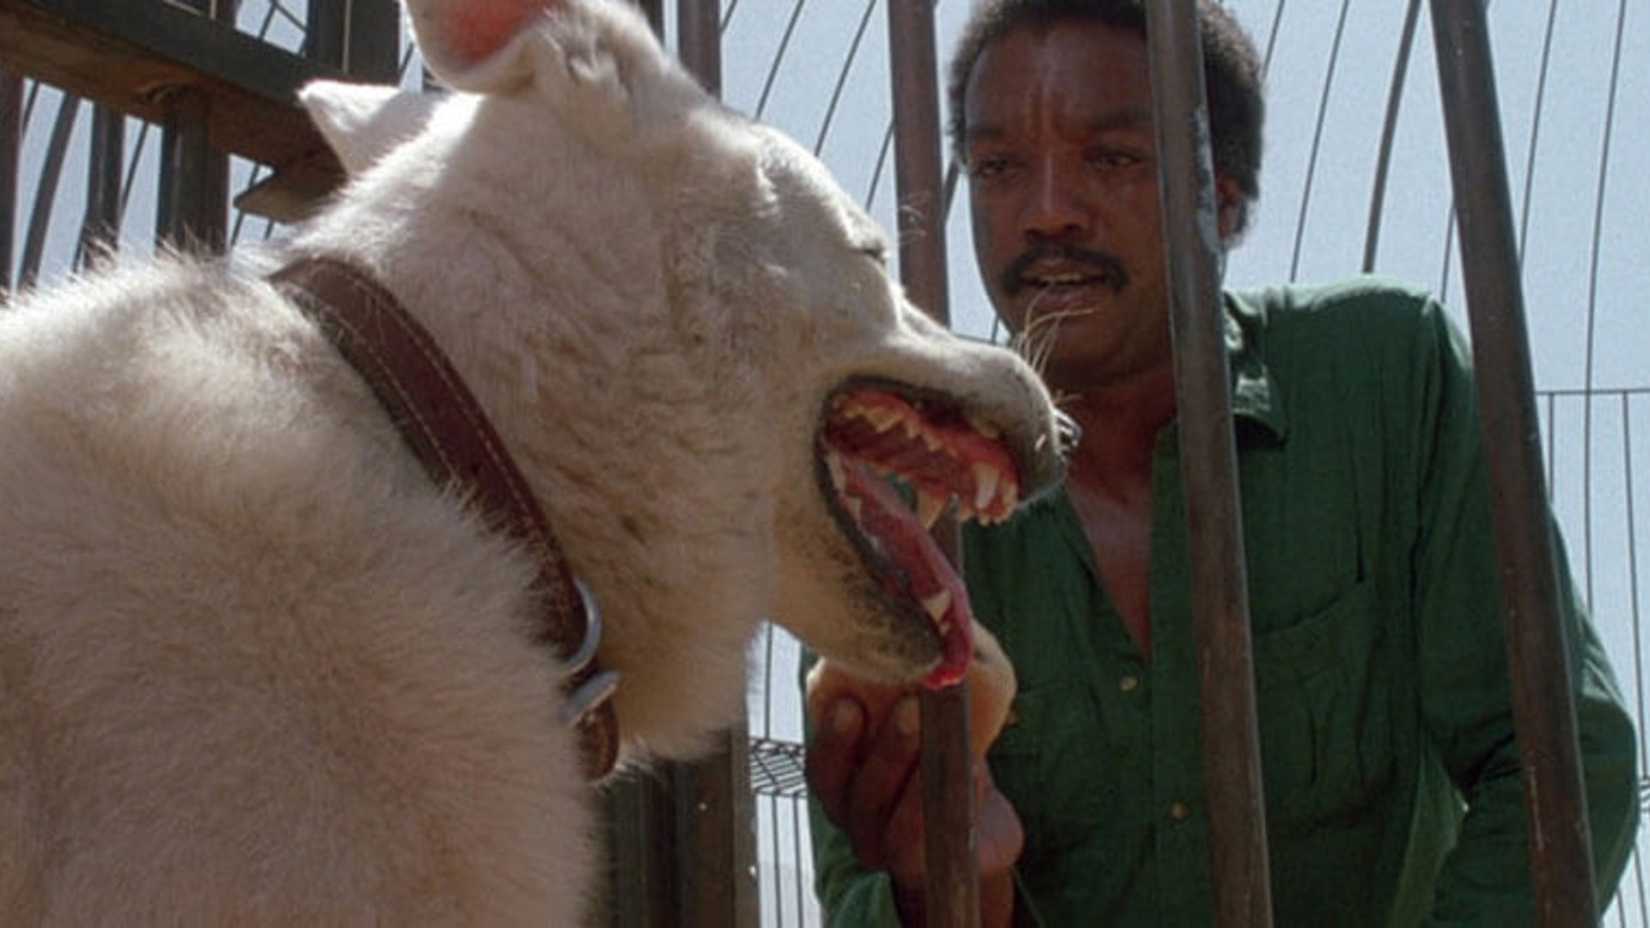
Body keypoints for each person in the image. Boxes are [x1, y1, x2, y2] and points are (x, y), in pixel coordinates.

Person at [802, 1, 1641, 925]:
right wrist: (954, 887)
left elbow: (1566, 762)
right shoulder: (883, 494)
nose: (1046, 211)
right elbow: (857, 901)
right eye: (999, 167)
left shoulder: (1386, 381)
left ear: (1225, 197)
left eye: (1112, 157)